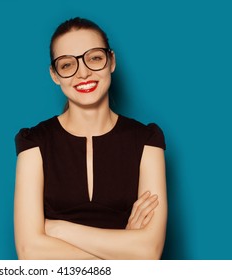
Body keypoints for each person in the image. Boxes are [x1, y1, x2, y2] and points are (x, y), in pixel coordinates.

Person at [13, 17, 167, 260]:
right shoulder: (33, 142)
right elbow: (29, 252)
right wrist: (124, 251)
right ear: (55, 75)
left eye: (94, 58)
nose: (83, 72)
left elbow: (149, 253)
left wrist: (56, 228)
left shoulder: (147, 140)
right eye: (67, 65)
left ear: (111, 61)